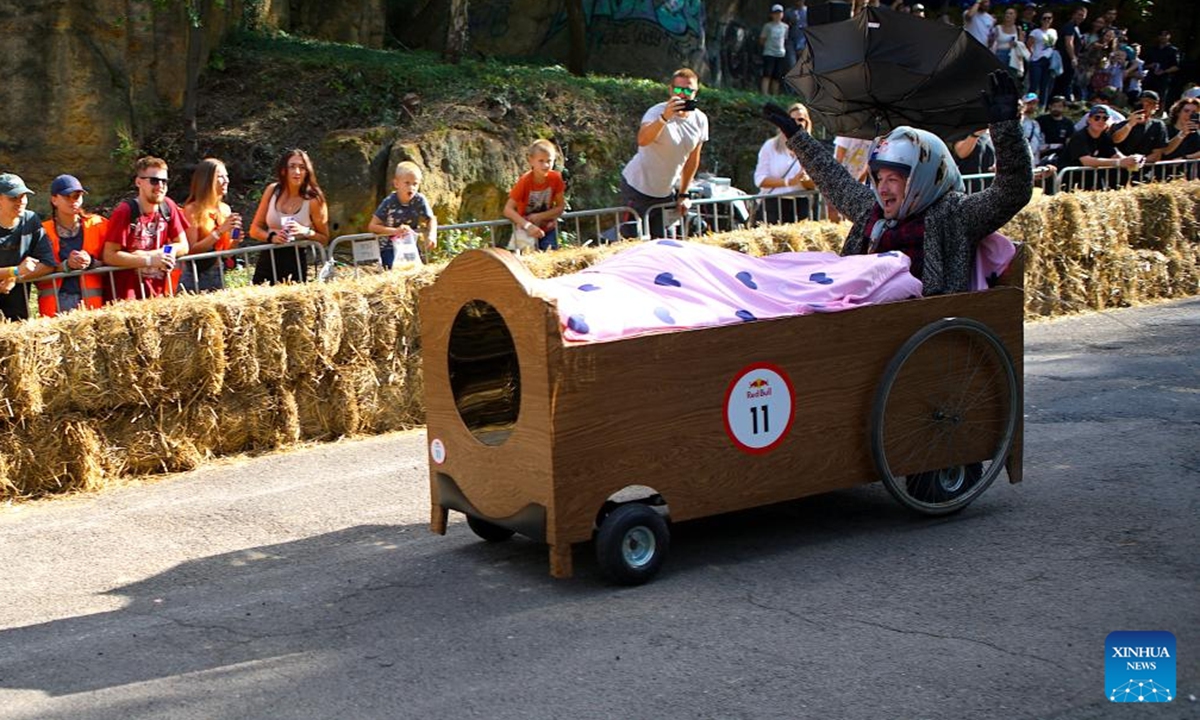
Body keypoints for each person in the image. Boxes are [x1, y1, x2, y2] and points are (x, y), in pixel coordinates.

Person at [762, 70, 1033, 296]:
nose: (882, 187)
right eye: (879, 178)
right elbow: (835, 180)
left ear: (922, 179)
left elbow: (1013, 190)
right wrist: (797, 137)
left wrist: (1006, 127)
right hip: (854, 311)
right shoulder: (872, 209)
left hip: (919, 320)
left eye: (894, 179)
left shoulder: (954, 214)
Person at [619, 68, 709, 240]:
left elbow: (692, 158)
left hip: (665, 192)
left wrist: (684, 193)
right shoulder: (656, 112)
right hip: (638, 187)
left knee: (665, 244)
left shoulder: (700, 119)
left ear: (696, 91)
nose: (683, 94)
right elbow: (643, 140)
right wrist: (664, 118)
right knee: (633, 244)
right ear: (670, 90)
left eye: (689, 90)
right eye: (679, 90)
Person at [102, 157, 190, 301]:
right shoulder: (125, 212)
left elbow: (183, 245)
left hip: (158, 294)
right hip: (126, 297)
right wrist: (148, 260)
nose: (160, 186)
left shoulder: (168, 206)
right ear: (139, 182)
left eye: (164, 181)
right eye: (154, 181)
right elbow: (109, 255)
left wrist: (160, 254)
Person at [248, 149, 329, 285]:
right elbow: (254, 229)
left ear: (307, 172)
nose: (297, 172)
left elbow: (325, 239)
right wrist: (272, 237)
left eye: (302, 167)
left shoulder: (314, 200)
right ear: (283, 170)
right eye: (292, 166)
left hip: (295, 260)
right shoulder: (272, 191)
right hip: (268, 257)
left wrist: (305, 231)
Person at [36, 174, 109, 316]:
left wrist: (92, 262)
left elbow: (113, 257)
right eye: (66, 196)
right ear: (54, 200)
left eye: (76, 196)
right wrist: (66, 265)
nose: (73, 201)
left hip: (95, 304)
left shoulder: (98, 224)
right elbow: (36, 267)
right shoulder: (42, 231)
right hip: (55, 306)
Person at [180, 158, 241, 293]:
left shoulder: (225, 209)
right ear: (207, 181)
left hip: (218, 274)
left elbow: (225, 253)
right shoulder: (192, 210)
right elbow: (190, 250)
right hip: (195, 277)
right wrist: (219, 231)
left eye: (227, 176)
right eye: (220, 177)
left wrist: (235, 241)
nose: (226, 180)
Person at [0, 174, 55, 321]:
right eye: (13, 198)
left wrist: (14, 278)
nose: (20, 202)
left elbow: (48, 263)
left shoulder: (31, 220)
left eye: (23, 196)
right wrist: (14, 271)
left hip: (17, 313)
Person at [754, 103, 816, 224]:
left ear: (807, 122)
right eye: (792, 120)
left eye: (801, 119)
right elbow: (759, 180)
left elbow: (817, 185)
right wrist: (789, 182)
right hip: (773, 205)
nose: (797, 123)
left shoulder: (812, 149)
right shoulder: (770, 146)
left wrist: (805, 180)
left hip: (800, 205)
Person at [367, 161, 437, 267]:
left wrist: (432, 235)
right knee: (395, 270)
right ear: (396, 184)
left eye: (415, 184)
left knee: (416, 270)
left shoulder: (419, 200)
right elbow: (372, 226)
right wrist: (396, 231)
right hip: (389, 247)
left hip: (410, 245)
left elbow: (431, 219)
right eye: (407, 183)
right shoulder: (389, 202)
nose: (411, 188)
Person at [502, 140, 567, 252]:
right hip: (526, 230)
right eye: (541, 161)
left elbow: (561, 206)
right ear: (531, 160)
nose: (546, 165)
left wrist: (540, 216)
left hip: (547, 228)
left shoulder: (556, 179)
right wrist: (528, 226)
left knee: (549, 258)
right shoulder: (525, 181)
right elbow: (508, 209)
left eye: (549, 161)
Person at [1059, 105, 1143, 190]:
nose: (1101, 121)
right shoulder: (1079, 137)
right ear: (1089, 120)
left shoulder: (1104, 137)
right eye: (1097, 118)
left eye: (1105, 118)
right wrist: (1119, 162)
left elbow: (1114, 154)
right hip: (1070, 180)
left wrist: (1132, 160)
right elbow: (1086, 161)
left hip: (1090, 179)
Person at [1112, 91, 1169, 163]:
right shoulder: (1123, 124)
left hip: (1144, 168)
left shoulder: (1158, 126)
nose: (1145, 106)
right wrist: (1130, 124)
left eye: (1150, 103)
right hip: (1121, 167)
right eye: (1142, 102)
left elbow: (1157, 153)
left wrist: (1139, 161)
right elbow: (1116, 139)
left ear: (1156, 107)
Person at [1053, 5, 1087, 102]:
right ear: (1074, 14)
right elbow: (1069, 42)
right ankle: (1065, 103)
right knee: (1064, 83)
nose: (1081, 17)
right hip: (1065, 60)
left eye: (1083, 15)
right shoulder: (1070, 26)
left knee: (1066, 83)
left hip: (1069, 60)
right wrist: (1073, 58)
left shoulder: (1076, 27)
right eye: (1079, 15)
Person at [1026, 11, 1058, 109]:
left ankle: (1042, 107)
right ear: (1041, 20)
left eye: (1049, 18)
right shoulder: (1035, 32)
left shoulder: (1053, 31)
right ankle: (1029, 105)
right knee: (1034, 85)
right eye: (1045, 18)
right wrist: (1032, 55)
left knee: (1045, 86)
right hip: (1037, 60)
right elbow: (1029, 45)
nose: (1047, 20)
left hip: (1049, 61)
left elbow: (1054, 45)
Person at [1143, 30, 1181, 108]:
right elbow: (1144, 65)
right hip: (1150, 76)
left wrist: (1164, 71)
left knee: (1160, 97)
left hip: (1163, 78)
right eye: (1161, 35)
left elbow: (1176, 66)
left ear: (1169, 37)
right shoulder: (1153, 49)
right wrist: (1151, 65)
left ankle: (1157, 112)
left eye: (1165, 35)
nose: (1163, 37)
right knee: (1145, 94)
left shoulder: (1173, 50)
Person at [1037, 96, 1076, 165]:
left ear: (1064, 108)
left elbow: (1069, 142)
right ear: (1049, 106)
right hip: (1042, 156)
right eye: (1054, 106)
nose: (1056, 109)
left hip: (1061, 157)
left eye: (1059, 106)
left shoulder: (1068, 123)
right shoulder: (1041, 120)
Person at [760, 4, 789, 96]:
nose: (777, 15)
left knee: (777, 76)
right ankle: (765, 93)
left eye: (779, 13)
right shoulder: (767, 26)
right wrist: (769, 47)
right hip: (769, 53)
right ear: (772, 15)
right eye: (775, 13)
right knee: (767, 74)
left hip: (780, 53)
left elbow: (785, 39)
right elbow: (762, 39)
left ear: (782, 14)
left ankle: (775, 95)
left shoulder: (785, 27)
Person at [1159, 97, 1200, 162]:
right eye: (1186, 111)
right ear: (1178, 112)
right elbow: (1165, 151)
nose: (1189, 115)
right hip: (1167, 170)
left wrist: (1185, 158)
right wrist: (1182, 134)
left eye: (1194, 112)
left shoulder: (1196, 132)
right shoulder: (1165, 129)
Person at [991, 7, 1026, 82]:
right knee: (999, 78)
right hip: (1000, 54)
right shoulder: (998, 28)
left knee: (1012, 79)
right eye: (1006, 13)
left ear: (1015, 16)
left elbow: (1021, 44)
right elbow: (991, 42)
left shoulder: (1018, 28)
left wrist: (1017, 42)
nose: (1008, 15)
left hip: (1013, 56)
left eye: (1011, 13)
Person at [783, 0, 808, 73]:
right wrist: (790, 24)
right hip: (791, 42)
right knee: (792, 65)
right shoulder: (788, 12)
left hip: (804, 41)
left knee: (804, 66)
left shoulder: (808, 11)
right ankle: (791, 84)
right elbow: (783, 27)